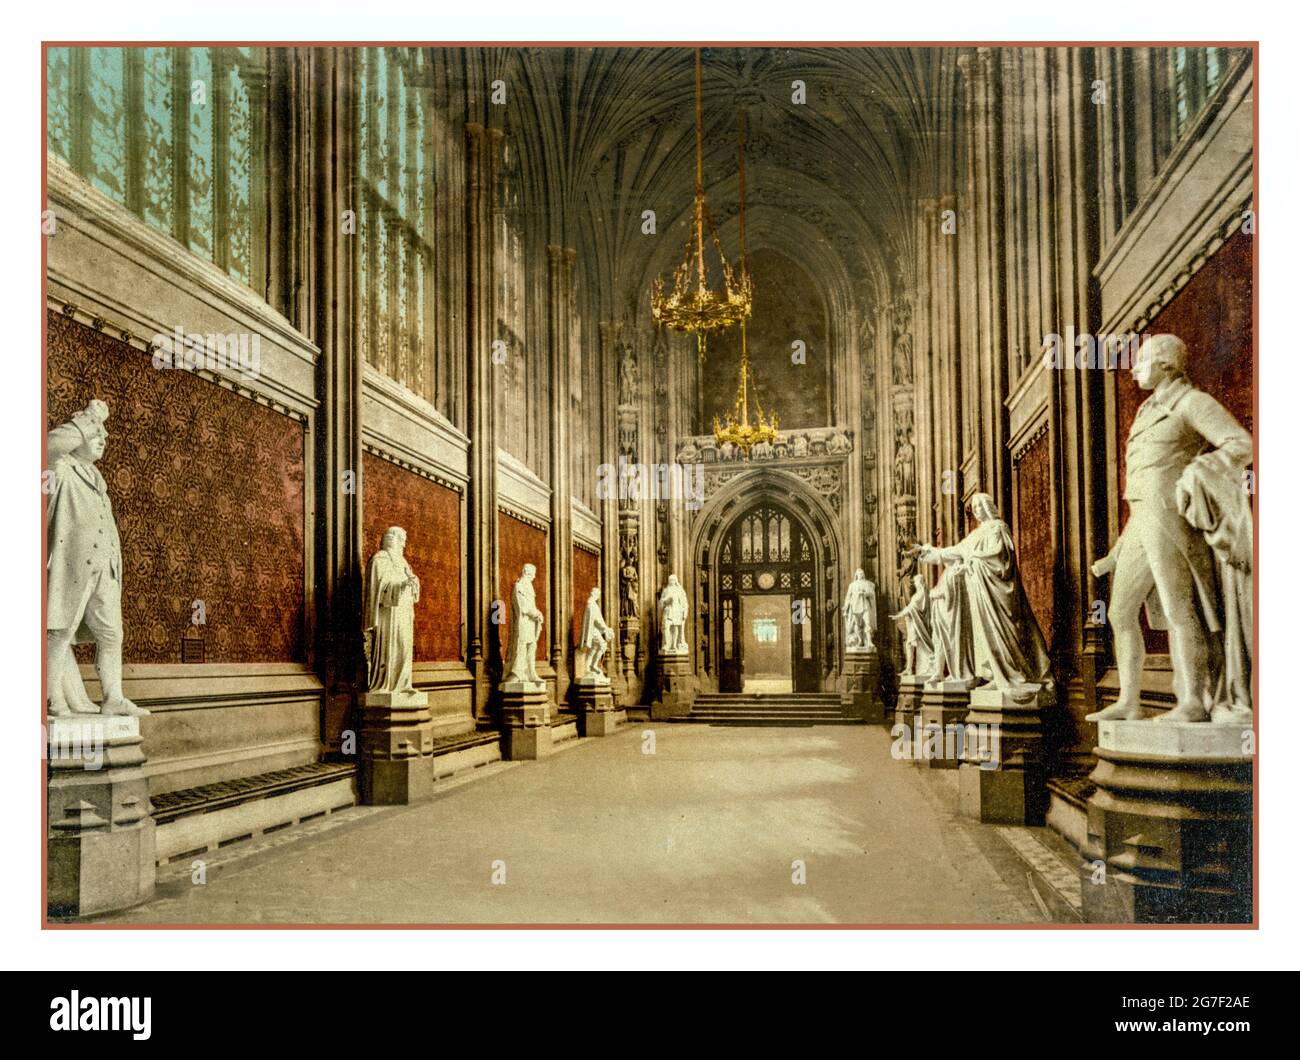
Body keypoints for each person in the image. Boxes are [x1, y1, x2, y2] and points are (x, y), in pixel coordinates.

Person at [1088, 334, 1253, 723]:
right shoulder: (1147, 410)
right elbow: (1143, 484)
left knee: (1181, 608)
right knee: (1120, 611)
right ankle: (1130, 701)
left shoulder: (1191, 403)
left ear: (1166, 365)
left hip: (1172, 518)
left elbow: (1240, 444)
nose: (1133, 369)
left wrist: (1195, 474)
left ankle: (1192, 701)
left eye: (1142, 361)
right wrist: (1117, 551)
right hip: (1142, 518)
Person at [46, 400, 148, 718]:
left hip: (104, 571)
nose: (103, 437)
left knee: (111, 634)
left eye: (104, 433)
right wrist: (92, 417)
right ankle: (51, 698)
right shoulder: (59, 468)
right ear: (79, 437)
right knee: (59, 631)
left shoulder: (96, 479)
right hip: (71, 567)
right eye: (96, 433)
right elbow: (49, 444)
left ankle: (113, 697)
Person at [912, 493, 1051, 694]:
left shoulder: (998, 527)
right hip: (981, 592)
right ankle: (997, 675)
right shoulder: (976, 534)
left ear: (988, 507)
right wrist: (926, 551)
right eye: (974, 507)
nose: (977, 510)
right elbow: (954, 551)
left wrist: (974, 559)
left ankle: (1011, 674)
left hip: (997, 591)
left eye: (979, 506)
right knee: (984, 634)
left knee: (1003, 631)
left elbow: (1001, 556)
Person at [363, 527, 420, 695]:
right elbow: (378, 588)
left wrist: (413, 582)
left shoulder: (402, 562)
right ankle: (387, 684)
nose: (403, 544)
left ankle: (403, 684)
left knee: (404, 645)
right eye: (401, 539)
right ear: (392, 538)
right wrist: (400, 586)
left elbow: (410, 580)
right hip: (388, 615)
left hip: (403, 611)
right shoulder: (380, 559)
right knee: (391, 647)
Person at [504, 563, 544, 687]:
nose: (534, 577)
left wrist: (538, 614)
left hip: (531, 624)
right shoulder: (519, 586)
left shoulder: (528, 587)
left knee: (532, 647)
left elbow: (530, 605)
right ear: (527, 573)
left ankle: (531, 672)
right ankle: (516, 674)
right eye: (533, 574)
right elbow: (524, 608)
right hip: (523, 623)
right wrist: (537, 613)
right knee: (521, 648)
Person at [890, 573, 934, 678]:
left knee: (910, 644)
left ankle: (909, 668)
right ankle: (909, 668)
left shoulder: (921, 593)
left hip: (918, 624)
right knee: (911, 644)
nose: (915, 584)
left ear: (921, 582)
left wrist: (899, 615)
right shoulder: (921, 592)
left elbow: (911, 607)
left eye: (916, 581)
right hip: (915, 622)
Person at [579, 587, 614, 678]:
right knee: (602, 646)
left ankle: (589, 667)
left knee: (595, 648)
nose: (598, 597)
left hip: (595, 630)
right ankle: (593, 665)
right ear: (594, 594)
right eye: (597, 595)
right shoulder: (591, 605)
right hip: (593, 631)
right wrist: (606, 628)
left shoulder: (592, 604)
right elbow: (597, 620)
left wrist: (605, 628)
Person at [842, 568, 877, 650]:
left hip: (865, 605)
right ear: (856, 575)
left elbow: (871, 593)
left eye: (862, 573)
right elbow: (848, 597)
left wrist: (865, 593)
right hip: (855, 607)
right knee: (857, 625)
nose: (861, 575)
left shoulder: (867, 583)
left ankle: (869, 641)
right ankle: (860, 640)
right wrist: (846, 606)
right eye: (859, 573)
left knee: (867, 622)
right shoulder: (852, 585)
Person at [658, 574, 689, 653]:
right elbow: (661, 603)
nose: (671, 582)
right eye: (670, 580)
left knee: (675, 628)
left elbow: (684, 602)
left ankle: (674, 645)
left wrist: (685, 613)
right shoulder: (666, 590)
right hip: (668, 611)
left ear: (676, 581)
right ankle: (666, 644)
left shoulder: (680, 590)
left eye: (673, 580)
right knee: (666, 627)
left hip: (677, 611)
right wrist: (666, 601)